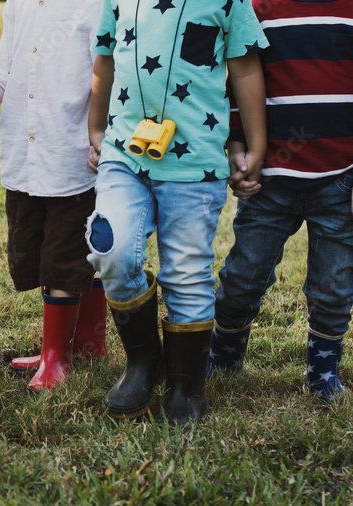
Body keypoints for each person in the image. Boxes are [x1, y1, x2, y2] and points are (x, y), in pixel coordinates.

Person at [86, 0, 267, 422]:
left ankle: (187, 384)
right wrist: (96, 126)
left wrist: (255, 145)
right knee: (108, 243)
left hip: (194, 162)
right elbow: (104, 63)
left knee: (186, 271)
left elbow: (245, 69)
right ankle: (142, 362)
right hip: (123, 154)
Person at [207, 0, 353, 404]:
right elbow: (239, 82)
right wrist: (238, 148)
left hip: (342, 180)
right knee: (243, 276)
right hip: (269, 181)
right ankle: (224, 356)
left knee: (334, 286)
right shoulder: (256, 9)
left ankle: (323, 370)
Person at [0, 0, 108, 393]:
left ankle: (57, 357)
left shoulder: (96, 5)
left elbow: (106, 74)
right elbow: (5, 69)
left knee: (66, 256)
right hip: (25, 153)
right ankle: (85, 344)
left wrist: (101, 134)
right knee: (35, 250)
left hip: (70, 156)